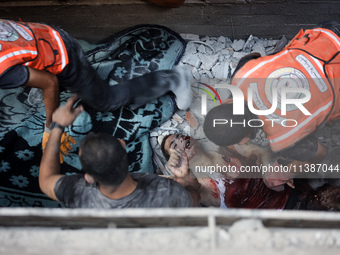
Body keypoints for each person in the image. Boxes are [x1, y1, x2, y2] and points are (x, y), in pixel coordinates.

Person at [0, 18, 191, 162]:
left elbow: (49, 82)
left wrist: (51, 127)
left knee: (106, 100)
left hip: (62, 55)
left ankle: (173, 78)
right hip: (42, 34)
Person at [203, 21, 340, 192]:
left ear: (244, 140)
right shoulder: (242, 74)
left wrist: (288, 170)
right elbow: (255, 56)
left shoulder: (284, 139)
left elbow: (321, 153)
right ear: (226, 102)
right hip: (328, 37)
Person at [39, 96, 200, 208]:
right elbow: (195, 197)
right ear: (123, 146)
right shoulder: (165, 193)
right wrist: (185, 178)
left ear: (88, 177)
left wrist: (57, 127)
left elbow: (45, 179)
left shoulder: (80, 195)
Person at [161, 133, 292, 209]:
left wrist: (270, 168)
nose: (181, 140)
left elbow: (262, 153)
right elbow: (187, 198)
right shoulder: (201, 186)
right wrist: (182, 174)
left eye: (180, 137)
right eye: (175, 146)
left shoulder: (228, 148)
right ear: (175, 159)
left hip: (294, 194)